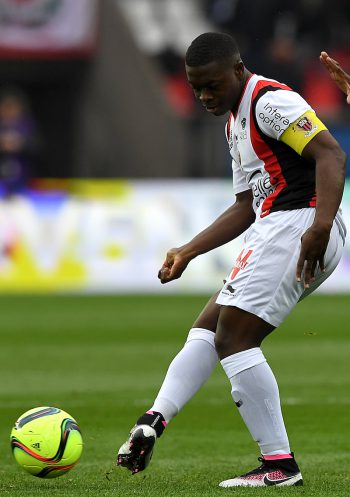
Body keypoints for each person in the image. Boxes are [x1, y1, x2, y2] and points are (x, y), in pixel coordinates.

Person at [117, 33, 347, 488]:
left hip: (299, 223)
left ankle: (279, 465)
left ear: (237, 71)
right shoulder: (233, 123)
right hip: (277, 226)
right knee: (209, 325)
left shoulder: (268, 101)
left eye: (213, 85)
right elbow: (245, 205)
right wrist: (188, 250)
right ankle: (152, 421)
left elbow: (331, 155)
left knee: (235, 338)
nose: (205, 95)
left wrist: (318, 226)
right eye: (196, 87)